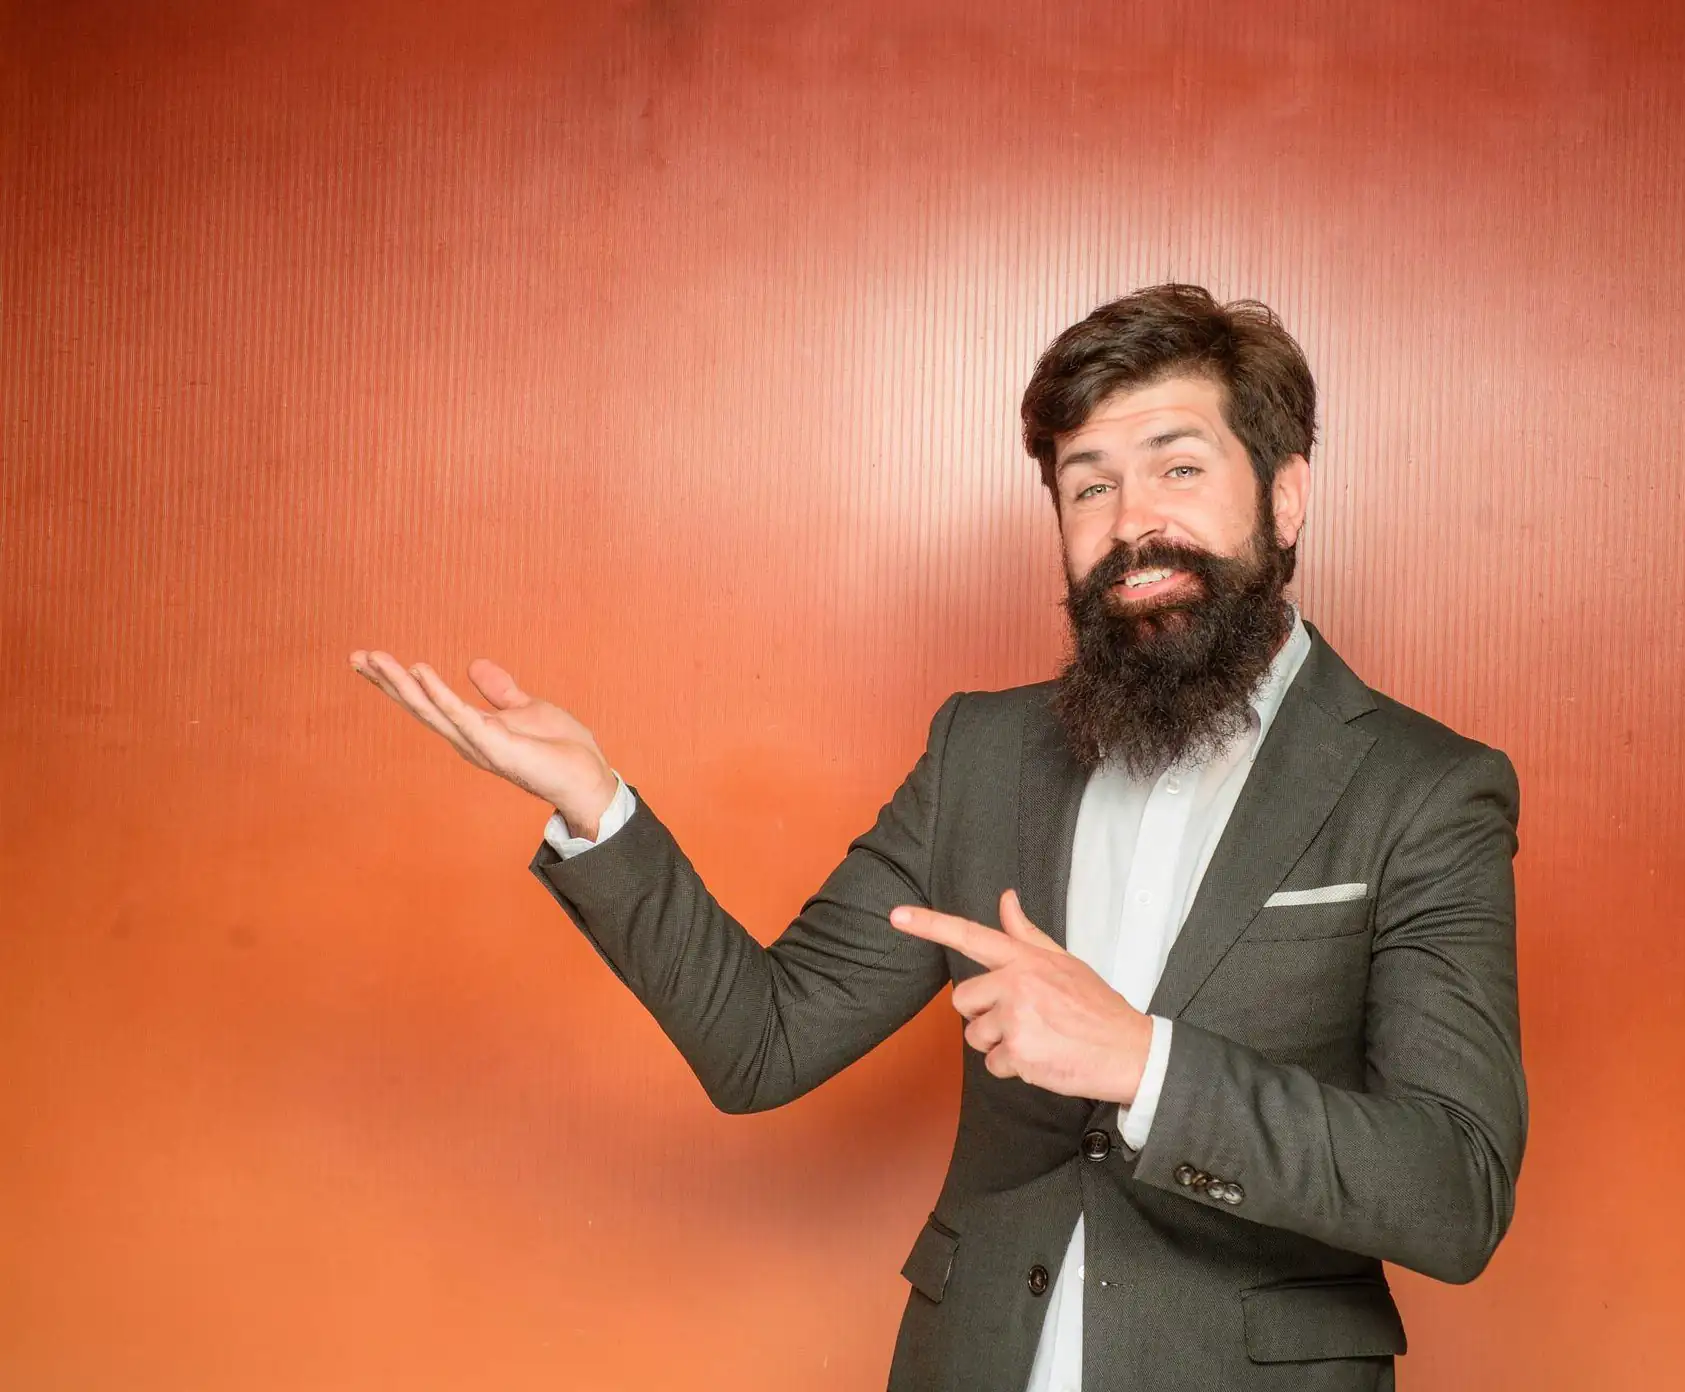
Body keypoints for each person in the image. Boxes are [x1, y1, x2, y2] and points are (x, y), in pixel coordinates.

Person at [351, 283, 1526, 1391]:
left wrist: (1144, 1064)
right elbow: (761, 1043)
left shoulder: (1423, 789)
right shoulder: (984, 755)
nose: (1131, 525)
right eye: (1088, 489)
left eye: (1178, 467)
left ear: (1284, 495)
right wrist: (597, 807)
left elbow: (1453, 1190)